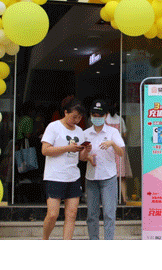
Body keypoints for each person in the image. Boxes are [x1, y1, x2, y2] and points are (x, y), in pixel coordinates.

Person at [41, 100, 92, 240]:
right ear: (65, 112)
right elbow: (45, 150)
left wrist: (86, 150)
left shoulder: (79, 131)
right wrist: (68, 148)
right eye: (74, 116)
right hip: (55, 176)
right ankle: (45, 239)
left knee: (72, 214)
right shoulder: (54, 127)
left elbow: (81, 158)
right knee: (53, 214)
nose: (77, 120)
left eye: (79, 117)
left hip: (73, 176)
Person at [83, 99, 126, 240]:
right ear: (90, 115)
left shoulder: (113, 132)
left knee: (109, 214)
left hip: (109, 177)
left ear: (106, 115)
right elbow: (81, 157)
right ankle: (93, 240)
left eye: (100, 115)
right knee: (91, 215)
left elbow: (121, 153)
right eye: (94, 115)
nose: (97, 118)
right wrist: (87, 155)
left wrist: (112, 143)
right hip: (91, 177)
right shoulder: (86, 133)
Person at [105, 99, 133, 204]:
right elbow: (124, 134)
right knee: (122, 176)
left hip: (108, 149)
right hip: (119, 149)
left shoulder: (105, 119)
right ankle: (124, 199)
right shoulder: (120, 119)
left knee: (107, 176)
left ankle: (108, 199)